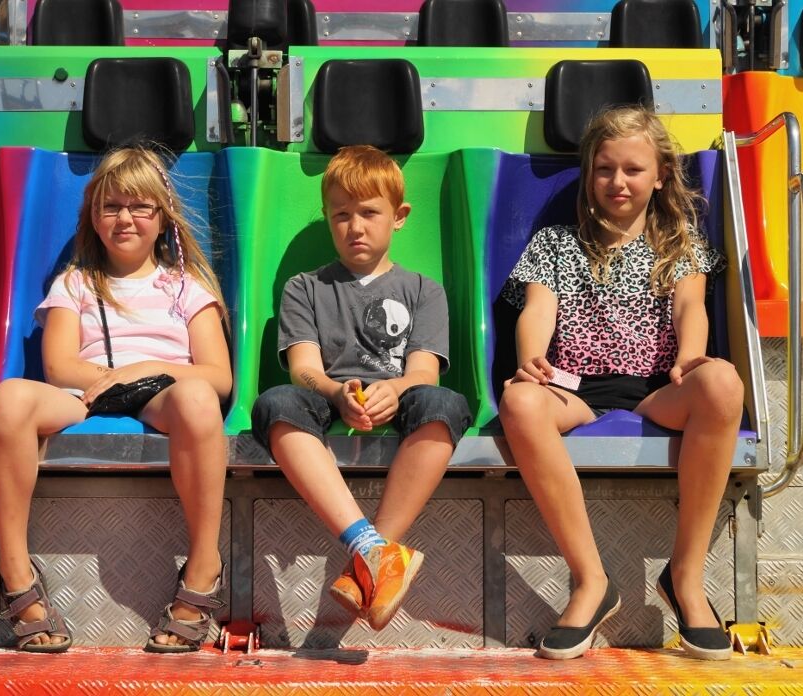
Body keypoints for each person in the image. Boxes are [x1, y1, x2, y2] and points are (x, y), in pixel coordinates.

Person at [499, 106, 742, 661]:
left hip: (658, 385)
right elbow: (537, 310)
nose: (617, 181)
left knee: (724, 384)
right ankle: (591, 579)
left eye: (633, 170)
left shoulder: (681, 243)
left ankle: (685, 576)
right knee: (519, 402)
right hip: (574, 386)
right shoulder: (555, 243)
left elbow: (691, 307)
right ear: (589, 174)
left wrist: (691, 356)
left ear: (660, 175)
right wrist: (531, 357)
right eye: (605, 169)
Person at [0, 146, 232, 653]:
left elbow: (218, 376)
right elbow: (59, 366)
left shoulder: (186, 288)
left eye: (140, 207)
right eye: (111, 206)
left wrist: (147, 370)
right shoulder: (76, 283)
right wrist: (114, 378)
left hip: (163, 394)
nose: (125, 218)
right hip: (87, 394)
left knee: (200, 399)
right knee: (8, 400)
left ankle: (204, 566)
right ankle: (14, 570)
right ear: (93, 217)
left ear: (163, 218)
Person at [250, 144, 472, 631]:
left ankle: (373, 559)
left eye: (369, 213)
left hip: (401, 394)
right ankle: (370, 547)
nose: (355, 227)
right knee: (274, 405)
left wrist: (397, 387)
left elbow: (424, 373)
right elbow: (303, 369)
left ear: (399, 217)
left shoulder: (424, 290)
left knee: (446, 405)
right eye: (341, 215)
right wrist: (335, 393)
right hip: (330, 395)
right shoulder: (304, 287)